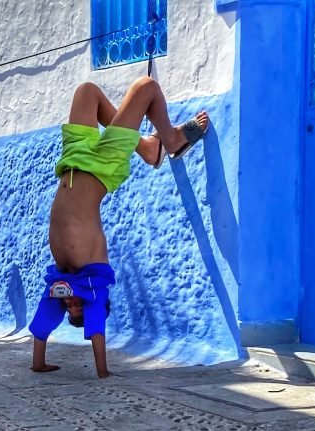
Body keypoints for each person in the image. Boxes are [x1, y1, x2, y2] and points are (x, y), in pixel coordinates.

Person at [29, 77, 210, 378]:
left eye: (69, 307)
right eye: (78, 308)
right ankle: (172, 140)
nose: (72, 302)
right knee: (147, 87)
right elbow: (96, 325)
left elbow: (43, 323)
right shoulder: (93, 282)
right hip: (101, 169)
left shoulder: (59, 282)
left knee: (87, 92)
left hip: (74, 160)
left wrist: (38, 363)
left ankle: (149, 149)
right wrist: (102, 370)